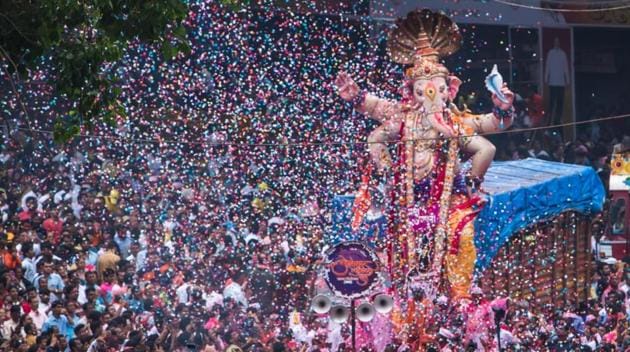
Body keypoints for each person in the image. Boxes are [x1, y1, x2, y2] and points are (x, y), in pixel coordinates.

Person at [335, 9, 515, 303]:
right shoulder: (402, 117)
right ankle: (405, 299)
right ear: (412, 92)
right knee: (402, 249)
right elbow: (374, 115)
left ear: (449, 90)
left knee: (462, 237)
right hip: (409, 199)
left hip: (451, 199)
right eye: (423, 92)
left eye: (438, 91)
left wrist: (503, 108)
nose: (431, 98)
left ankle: (458, 299)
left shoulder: (455, 122)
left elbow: (493, 128)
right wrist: (356, 98)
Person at [544, 37, 570, 126]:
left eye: (558, 42)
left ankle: (558, 120)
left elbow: (565, 68)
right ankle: (550, 120)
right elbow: (547, 66)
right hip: (552, 82)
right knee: (552, 102)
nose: (557, 43)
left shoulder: (563, 54)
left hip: (561, 82)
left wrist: (567, 81)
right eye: (555, 42)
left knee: (560, 102)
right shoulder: (550, 53)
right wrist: (546, 79)